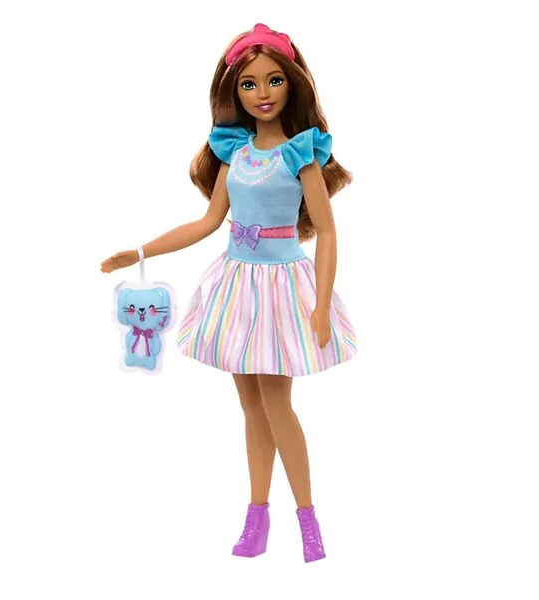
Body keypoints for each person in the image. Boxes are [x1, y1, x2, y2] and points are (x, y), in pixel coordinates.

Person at [100, 23, 357, 562]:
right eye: (249, 84)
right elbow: (207, 222)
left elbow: (328, 232)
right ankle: (256, 517)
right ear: (233, 91)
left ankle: (308, 520)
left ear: (293, 84)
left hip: (282, 287)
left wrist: (321, 302)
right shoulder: (234, 152)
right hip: (238, 286)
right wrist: (141, 252)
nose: (262, 93)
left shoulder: (300, 154)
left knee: (277, 403)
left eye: (273, 81)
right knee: (251, 406)